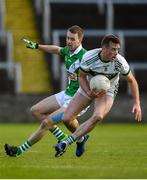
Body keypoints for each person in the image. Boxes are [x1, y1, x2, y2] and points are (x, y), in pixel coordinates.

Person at [4, 25, 89, 157]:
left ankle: (18, 151)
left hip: (78, 99)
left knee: (47, 122)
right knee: (35, 110)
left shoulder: (86, 57)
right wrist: (37, 46)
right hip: (66, 94)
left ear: (80, 40)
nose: (68, 41)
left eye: (72, 39)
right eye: (67, 38)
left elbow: (97, 75)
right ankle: (76, 137)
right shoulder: (68, 51)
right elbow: (56, 49)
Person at [53, 34, 142, 157]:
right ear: (103, 48)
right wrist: (89, 92)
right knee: (66, 118)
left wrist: (137, 103)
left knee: (98, 116)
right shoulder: (89, 57)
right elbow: (82, 77)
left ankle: (65, 143)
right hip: (89, 86)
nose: (116, 53)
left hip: (108, 90)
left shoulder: (120, 62)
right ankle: (81, 139)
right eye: (113, 49)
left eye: (117, 49)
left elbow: (132, 81)